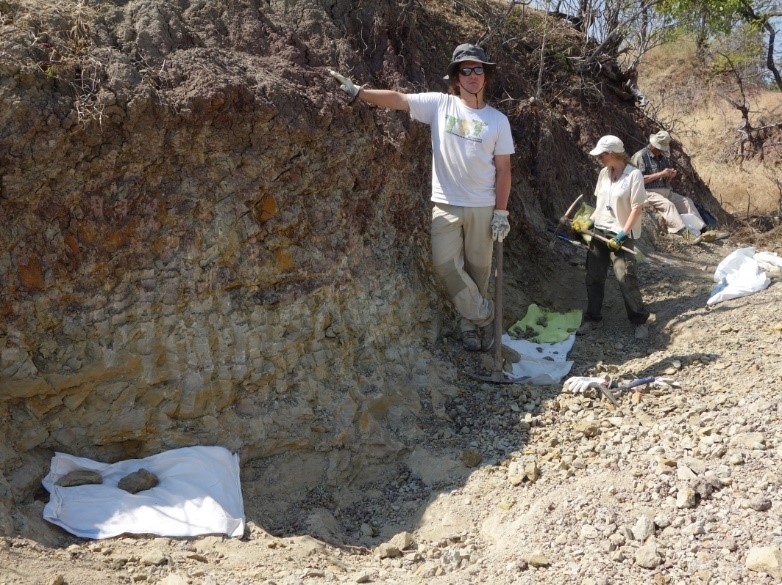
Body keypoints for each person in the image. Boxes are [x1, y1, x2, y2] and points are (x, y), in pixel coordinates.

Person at [329, 44, 515, 352]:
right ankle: (484, 316)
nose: (472, 76)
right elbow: (399, 100)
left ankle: (469, 327)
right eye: (465, 70)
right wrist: (359, 91)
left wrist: (501, 212)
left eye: (478, 69)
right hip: (445, 203)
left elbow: (504, 170)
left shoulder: (498, 121)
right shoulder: (439, 105)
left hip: (483, 206)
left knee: (478, 271)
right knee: (445, 265)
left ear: (486, 75)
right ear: (456, 77)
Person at [571, 135, 652, 340]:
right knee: (594, 277)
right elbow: (600, 204)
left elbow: (637, 208)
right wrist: (589, 222)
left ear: (612, 154)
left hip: (621, 233)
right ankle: (592, 319)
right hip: (599, 231)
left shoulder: (634, 176)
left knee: (625, 277)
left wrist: (623, 233)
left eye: (602, 154)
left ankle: (639, 320)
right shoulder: (603, 174)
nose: (599, 158)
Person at [630, 130, 706, 241]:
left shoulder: (662, 157)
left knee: (687, 202)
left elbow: (664, 175)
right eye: (659, 149)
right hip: (648, 192)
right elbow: (638, 180)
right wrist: (661, 174)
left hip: (666, 191)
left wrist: (670, 175)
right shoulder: (640, 156)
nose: (660, 151)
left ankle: (702, 230)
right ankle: (683, 233)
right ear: (653, 145)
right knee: (668, 205)